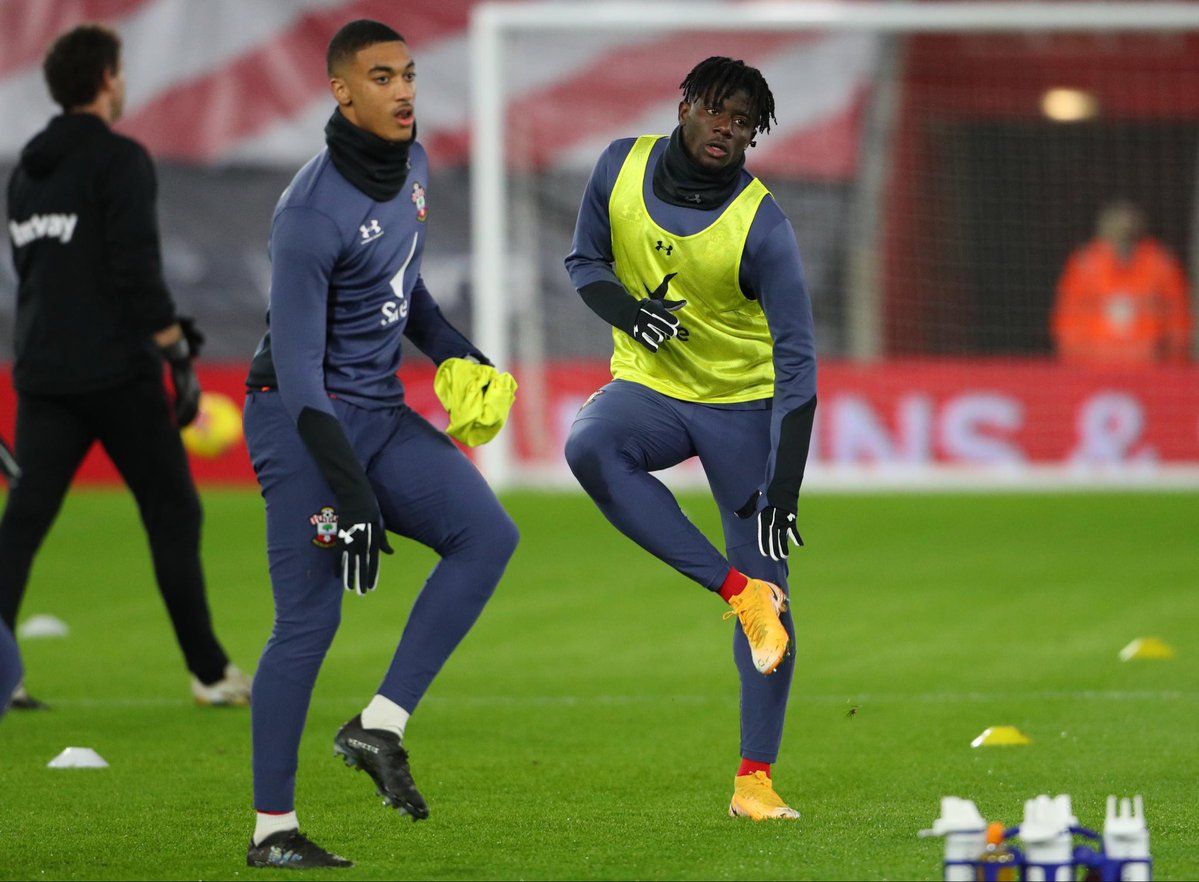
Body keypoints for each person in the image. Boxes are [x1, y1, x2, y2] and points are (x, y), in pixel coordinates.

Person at [242, 19, 519, 869]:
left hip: (377, 412)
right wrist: (352, 495)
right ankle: (272, 831)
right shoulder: (308, 214)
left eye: (408, 74)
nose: (402, 91)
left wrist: (459, 354)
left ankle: (378, 725)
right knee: (308, 622)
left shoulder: (415, 167)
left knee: (487, 534)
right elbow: (297, 373)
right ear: (341, 91)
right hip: (301, 424)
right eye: (381, 77)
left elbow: (408, 291)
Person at [563, 56, 817, 821]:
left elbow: (798, 360)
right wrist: (627, 313)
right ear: (684, 107)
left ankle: (754, 782)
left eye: (742, 124)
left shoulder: (762, 225)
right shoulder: (619, 167)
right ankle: (734, 593)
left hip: (742, 407)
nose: (725, 129)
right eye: (715, 111)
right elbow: (584, 261)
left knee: (775, 599)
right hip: (651, 389)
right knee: (588, 446)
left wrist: (784, 483)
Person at [0, 23, 250, 711]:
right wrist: (177, 352)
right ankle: (209, 672)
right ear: (108, 79)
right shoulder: (120, 160)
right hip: (116, 372)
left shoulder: (26, 172)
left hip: (44, 372)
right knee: (173, 512)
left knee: (23, 524)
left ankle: (2, 672)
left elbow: (33, 271)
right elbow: (135, 268)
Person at [1052, 200, 1193, 364]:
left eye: (1128, 231)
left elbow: (1179, 320)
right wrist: (1076, 362)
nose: (1122, 235)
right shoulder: (1085, 264)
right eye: (1116, 229)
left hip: (1151, 365)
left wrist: (1172, 361)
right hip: (1094, 364)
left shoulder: (1160, 264)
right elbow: (1066, 322)